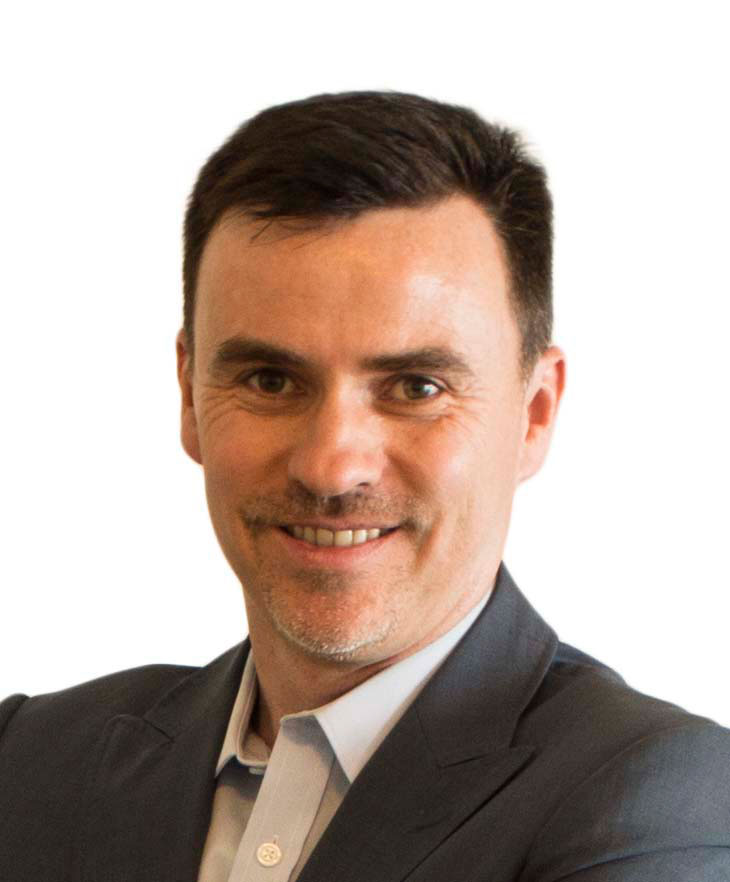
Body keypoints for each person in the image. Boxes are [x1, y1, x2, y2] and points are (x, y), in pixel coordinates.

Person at [1, 90, 728, 882]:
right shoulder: (30, 762)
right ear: (188, 396)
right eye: (271, 380)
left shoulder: (657, 800)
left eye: (416, 387)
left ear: (535, 413)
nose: (331, 467)